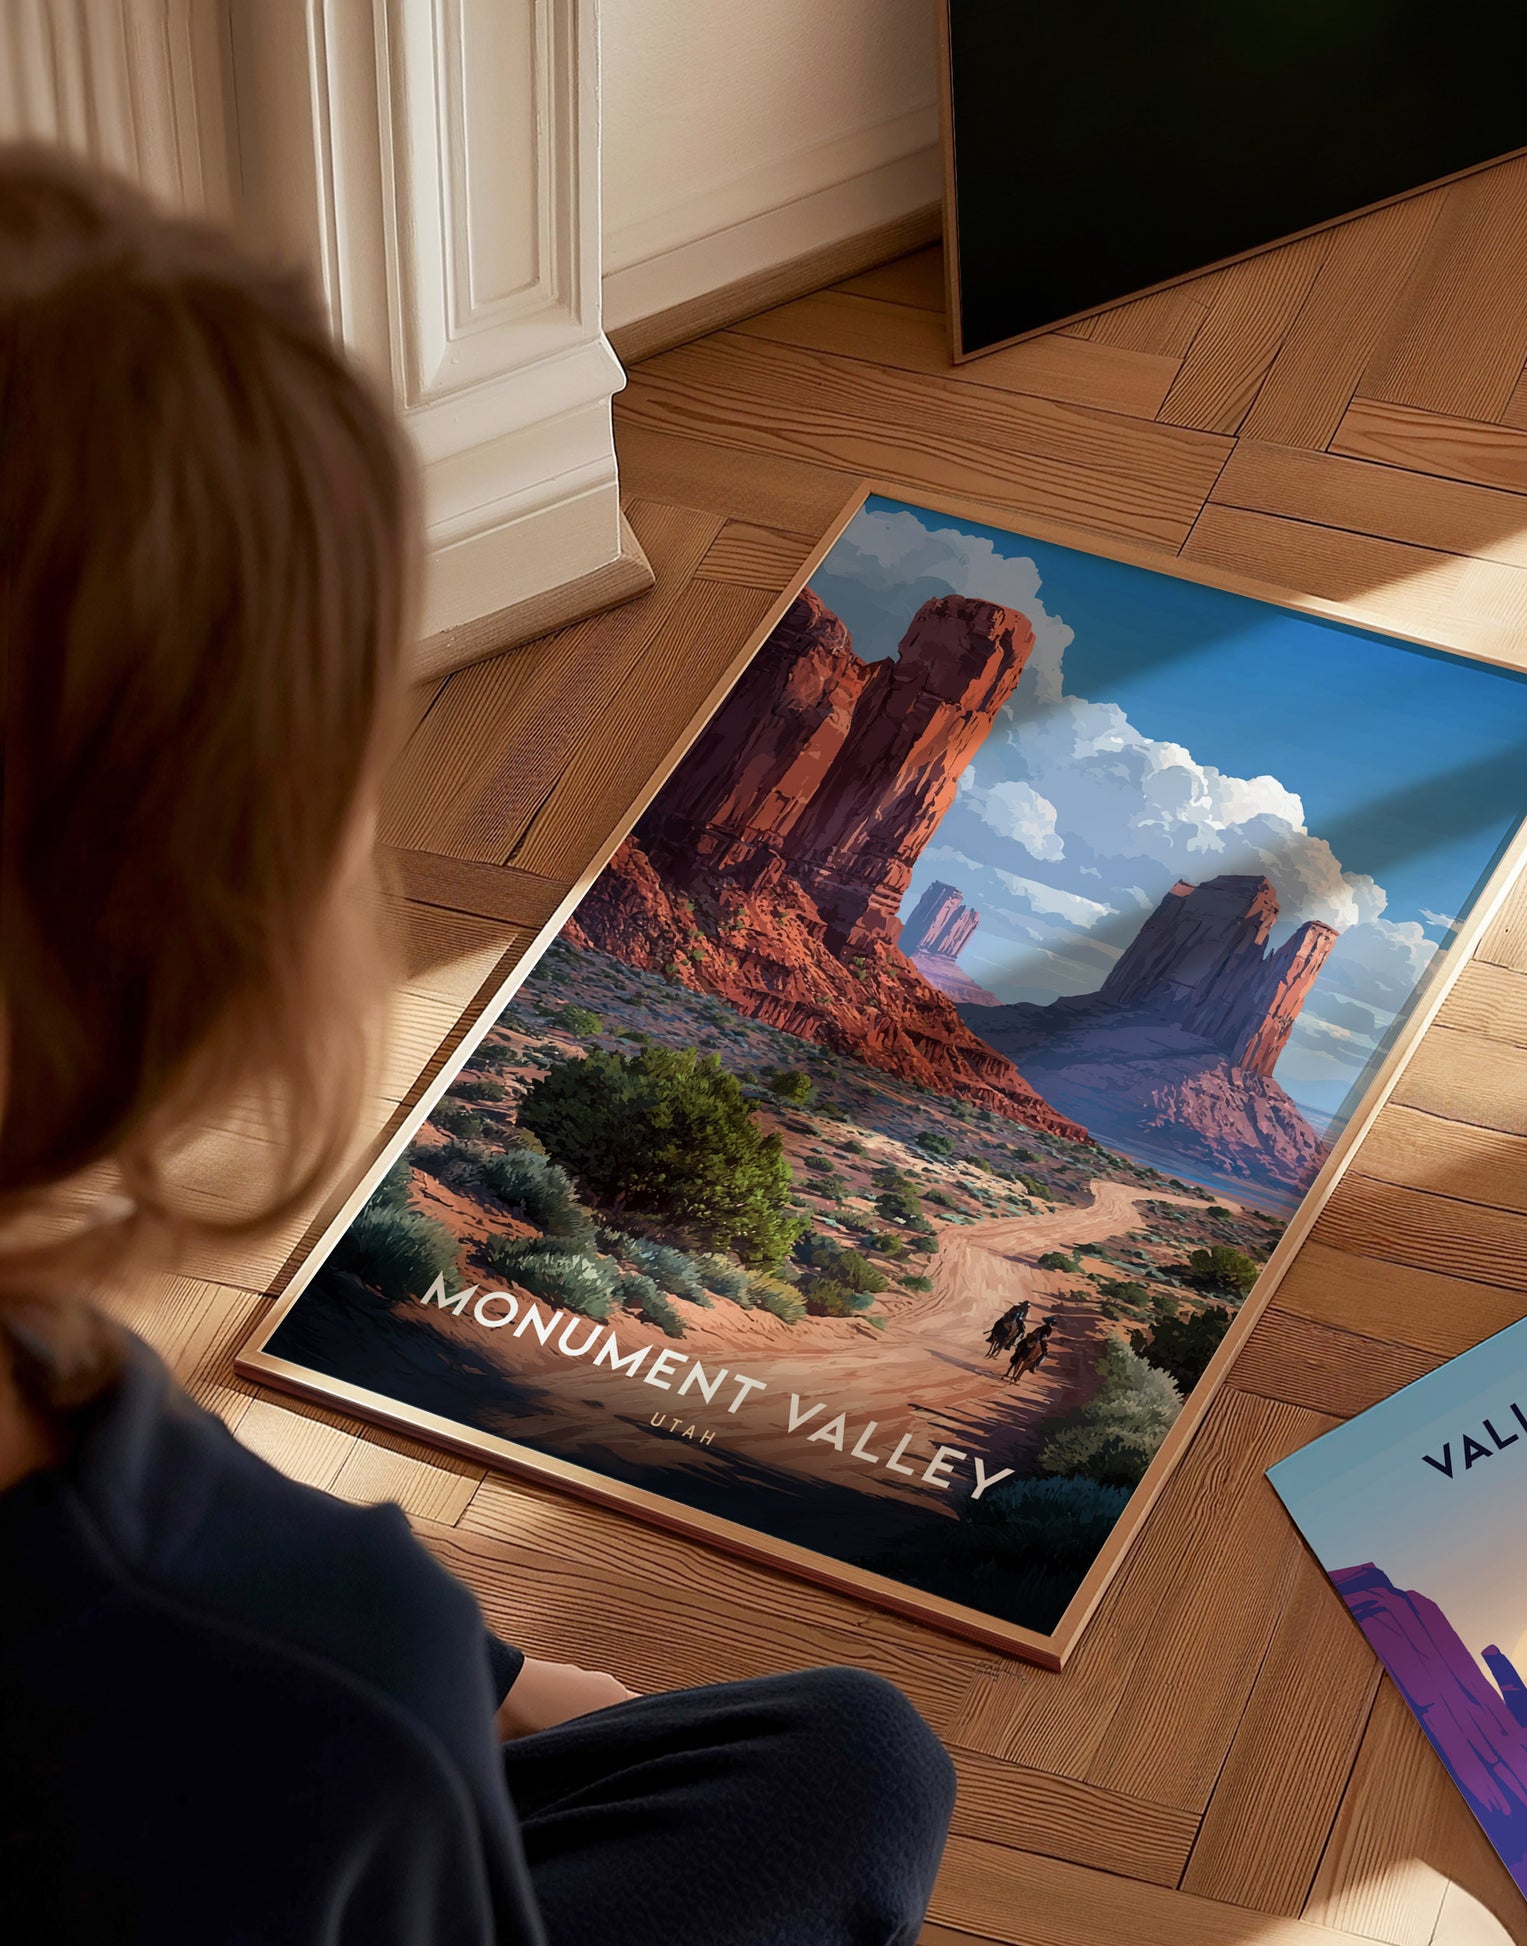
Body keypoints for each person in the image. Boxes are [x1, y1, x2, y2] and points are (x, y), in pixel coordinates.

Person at [0, 147, 954, 1944]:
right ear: (211, 920)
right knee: (852, 1768)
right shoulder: (306, 1699)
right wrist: (428, 1686)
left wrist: (479, 1669)